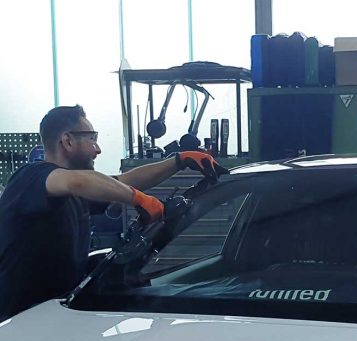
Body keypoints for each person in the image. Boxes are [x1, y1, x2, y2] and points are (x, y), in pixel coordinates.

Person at [0, 104, 226, 321]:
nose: (98, 149)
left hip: (54, 314)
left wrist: (178, 160)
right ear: (67, 141)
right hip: (15, 320)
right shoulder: (32, 177)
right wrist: (139, 199)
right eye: (92, 139)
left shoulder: (72, 188)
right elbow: (76, 181)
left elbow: (124, 181)